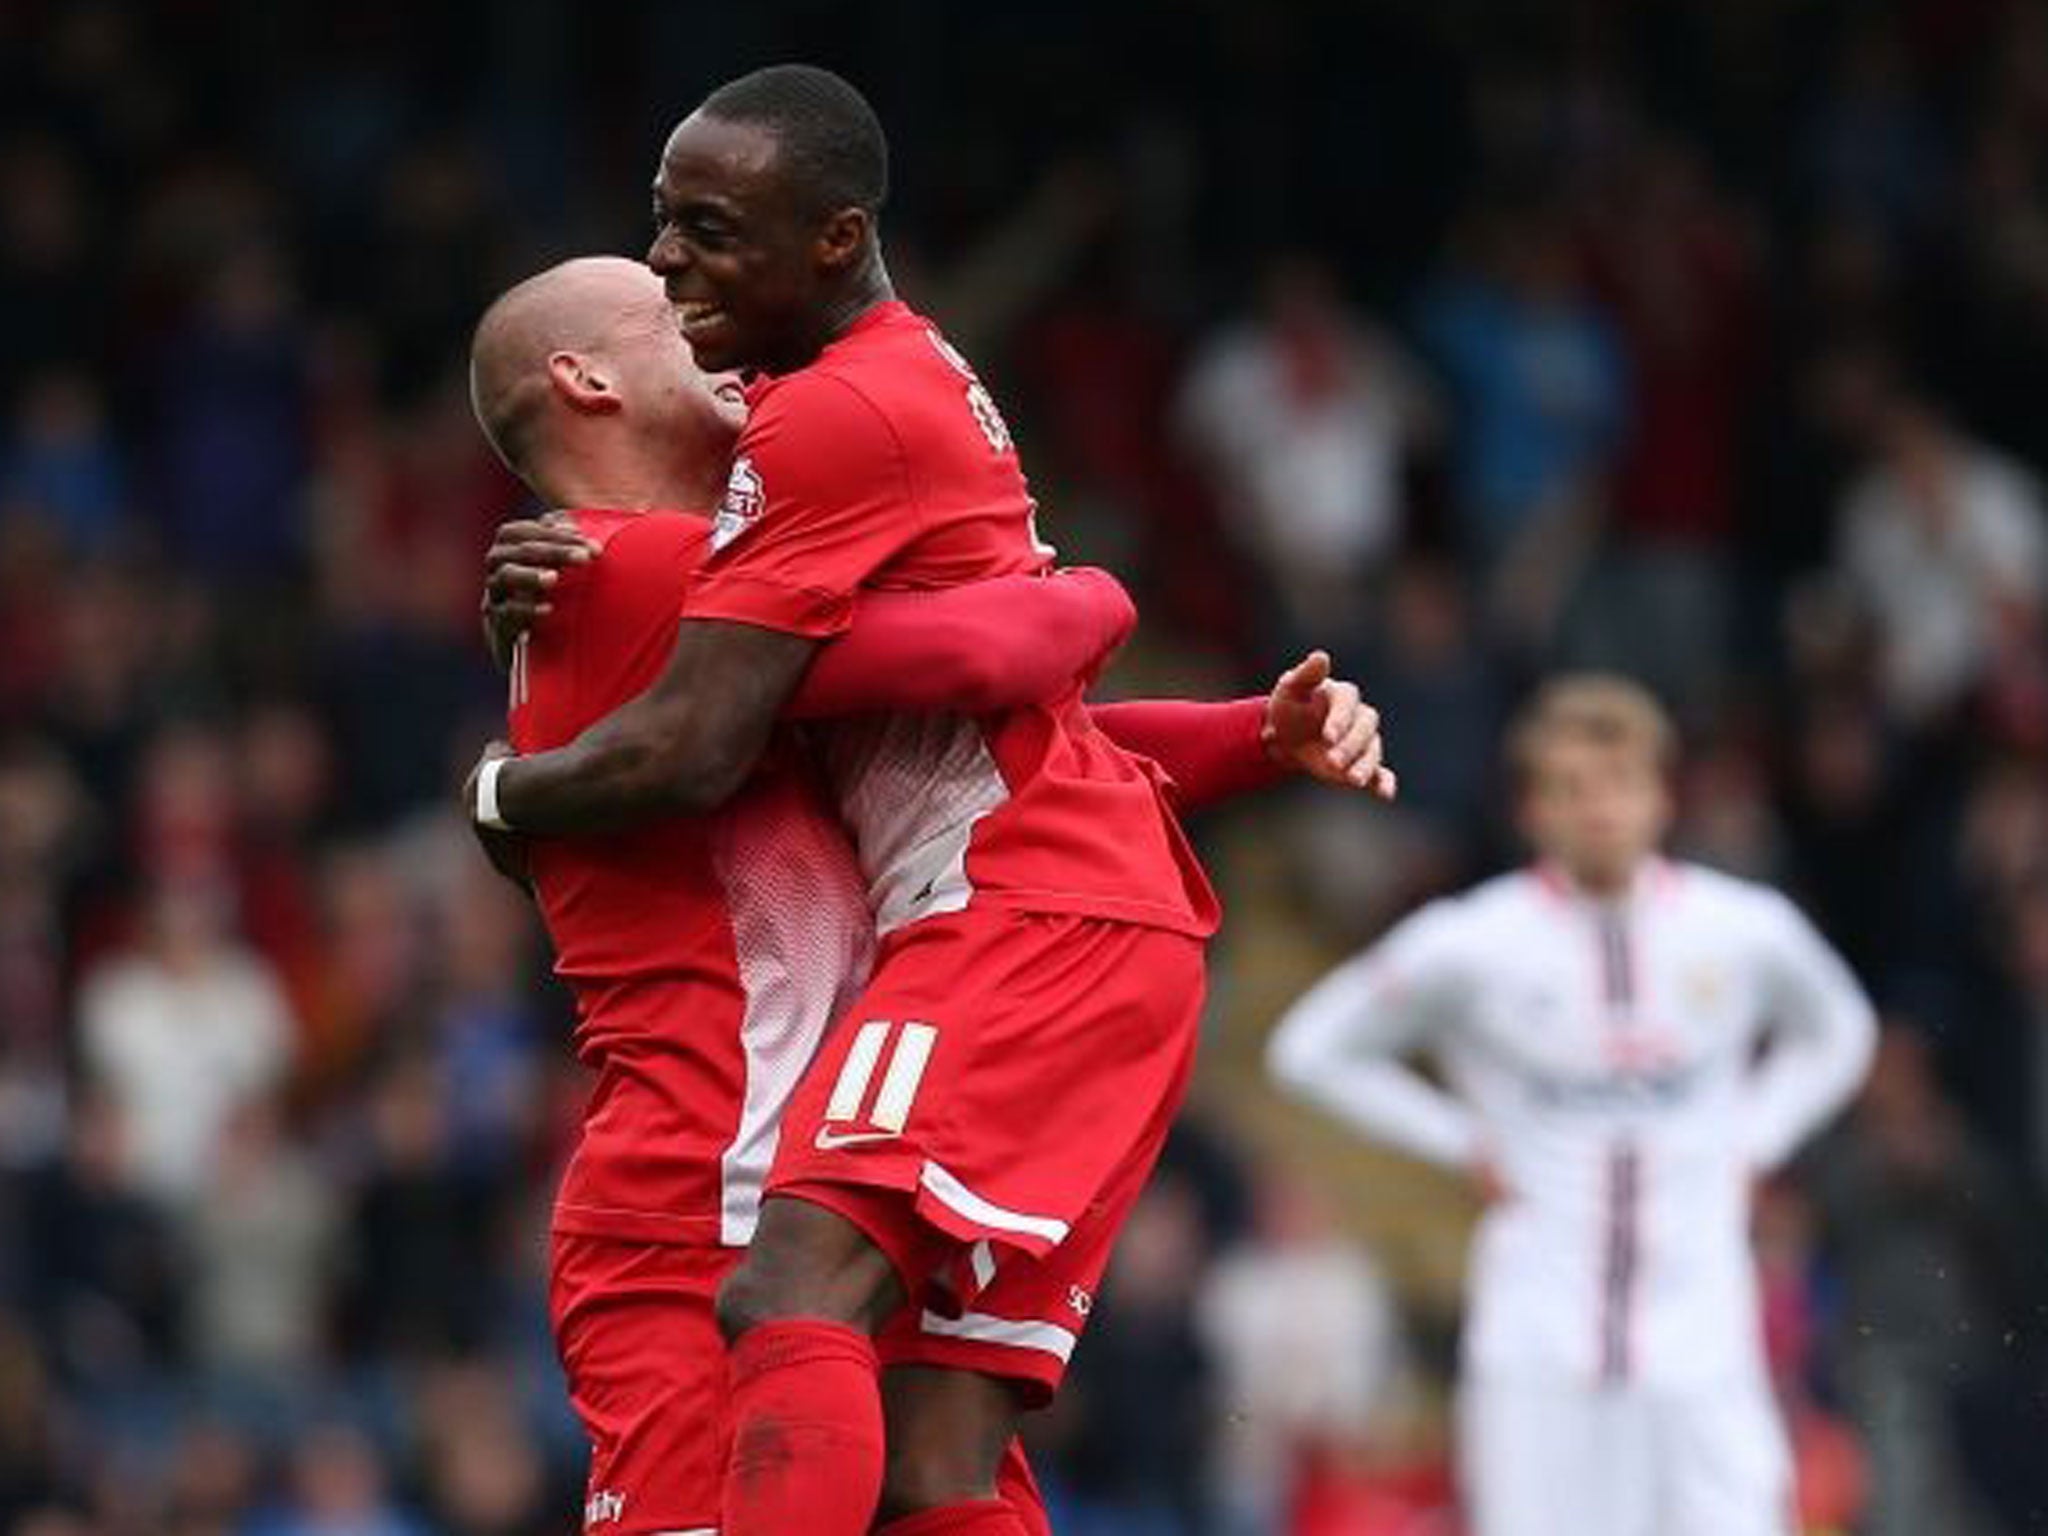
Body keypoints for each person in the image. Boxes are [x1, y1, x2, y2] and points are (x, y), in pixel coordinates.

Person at [461, 64, 1393, 1536]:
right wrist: (1098, 600)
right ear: (587, 383)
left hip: (920, 1011)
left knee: (846, 1360)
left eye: (698, 238)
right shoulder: (631, 564)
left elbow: (984, 691)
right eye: (656, 274)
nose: (674, 277)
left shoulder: (754, 501)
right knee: (930, 1461)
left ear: (825, 239)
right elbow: (989, 653)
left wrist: (504, 795)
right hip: (704, 1169)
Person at [1268, 675, 1877, 1536]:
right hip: (1538, 1338)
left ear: (1663, 794)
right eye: (1570, 788)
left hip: (1703, 1334)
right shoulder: (1474, 943)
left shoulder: (1744, 930)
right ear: (1531, 809)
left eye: (1620, 782)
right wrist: (1459, 1139)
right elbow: (1310, 1049)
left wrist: (1758, 1135)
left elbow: (1841, 1028)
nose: (1599, 809)